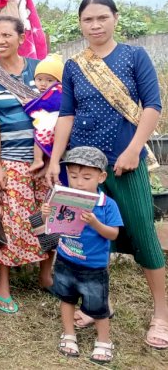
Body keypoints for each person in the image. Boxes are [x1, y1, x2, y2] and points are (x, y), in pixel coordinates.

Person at [46, 0, 167, 349]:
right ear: (80, 24)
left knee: (142, 232)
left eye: (102, 18)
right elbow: (66, 114)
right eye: (88, 20)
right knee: (83, 234)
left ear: (115, 18)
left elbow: (152, 106)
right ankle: (98, 303)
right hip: (81, 167)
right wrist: (55, 160)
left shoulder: (134, 56)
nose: (95, 26)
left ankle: (161, 313)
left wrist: (132, 151)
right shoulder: (74, 66)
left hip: (125, 162)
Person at [0, 16, 53, 313]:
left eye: (7, 35)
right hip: (11, 158)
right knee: (11, 220)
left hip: (46, 159)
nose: (0, 41)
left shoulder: (40, 69)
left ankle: (46, 274)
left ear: (22, 37)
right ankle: (4, 283)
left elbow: (57, 109)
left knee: (49, 216)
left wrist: (52, 157)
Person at [42, 146, 122, 364]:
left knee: (99, 306)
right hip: (66, 260)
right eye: (74, 176)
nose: (78, 182)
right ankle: (69, 334)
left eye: (87, 177)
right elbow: (52, 227)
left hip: (94, 267)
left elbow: (113, 234)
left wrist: (95, 223)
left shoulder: (107, 204)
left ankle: (104, 341)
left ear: (101, 176)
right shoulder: (64, 197)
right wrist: (46, 214)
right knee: (66, 300)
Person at [23, 54, 64, 173]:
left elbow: (44, 106)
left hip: (55, 127)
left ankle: (37, 159)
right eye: (39, 79)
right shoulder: (47, 94)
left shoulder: (57, 92)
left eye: (49, 80)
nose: (43, 84)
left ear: (58, 81)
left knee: (40, 131)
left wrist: (30, 104)